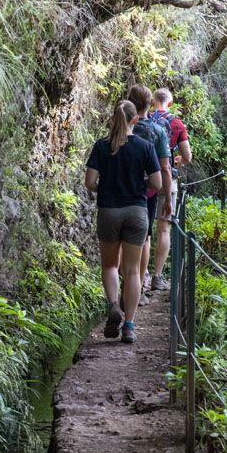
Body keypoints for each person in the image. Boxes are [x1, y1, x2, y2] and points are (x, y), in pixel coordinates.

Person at [85, 101, 162, 344]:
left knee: (109, 266)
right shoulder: (145, 146)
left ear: (114, 119)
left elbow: (89, 182)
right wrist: (141, 186)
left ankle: (113, 306)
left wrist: (104, 188)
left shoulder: (101, 146)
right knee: (132, 271)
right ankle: (129, 325)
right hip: (137, 212)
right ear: (135, 120)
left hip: (109, 210)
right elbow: (158, 184)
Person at [126, 84, 173, 303]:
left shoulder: (121, 127)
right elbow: (164, 167)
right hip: (149, 193)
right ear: (149, 105)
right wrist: (166, 195)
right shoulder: (158, 131)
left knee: (120, 241)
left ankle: (122, 291)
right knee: (144, 238)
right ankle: (140, 288)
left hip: (121, 190)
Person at [148, 87, 192, 290]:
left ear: (152, 102)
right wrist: (178, 160)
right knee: (164, 229)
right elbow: (188, 156)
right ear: (171, 103)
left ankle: (143, 276)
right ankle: (157, 276)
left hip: (146, 178)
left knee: (145, 230)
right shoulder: (176, 123)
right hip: (167, 179)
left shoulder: (144, 119)